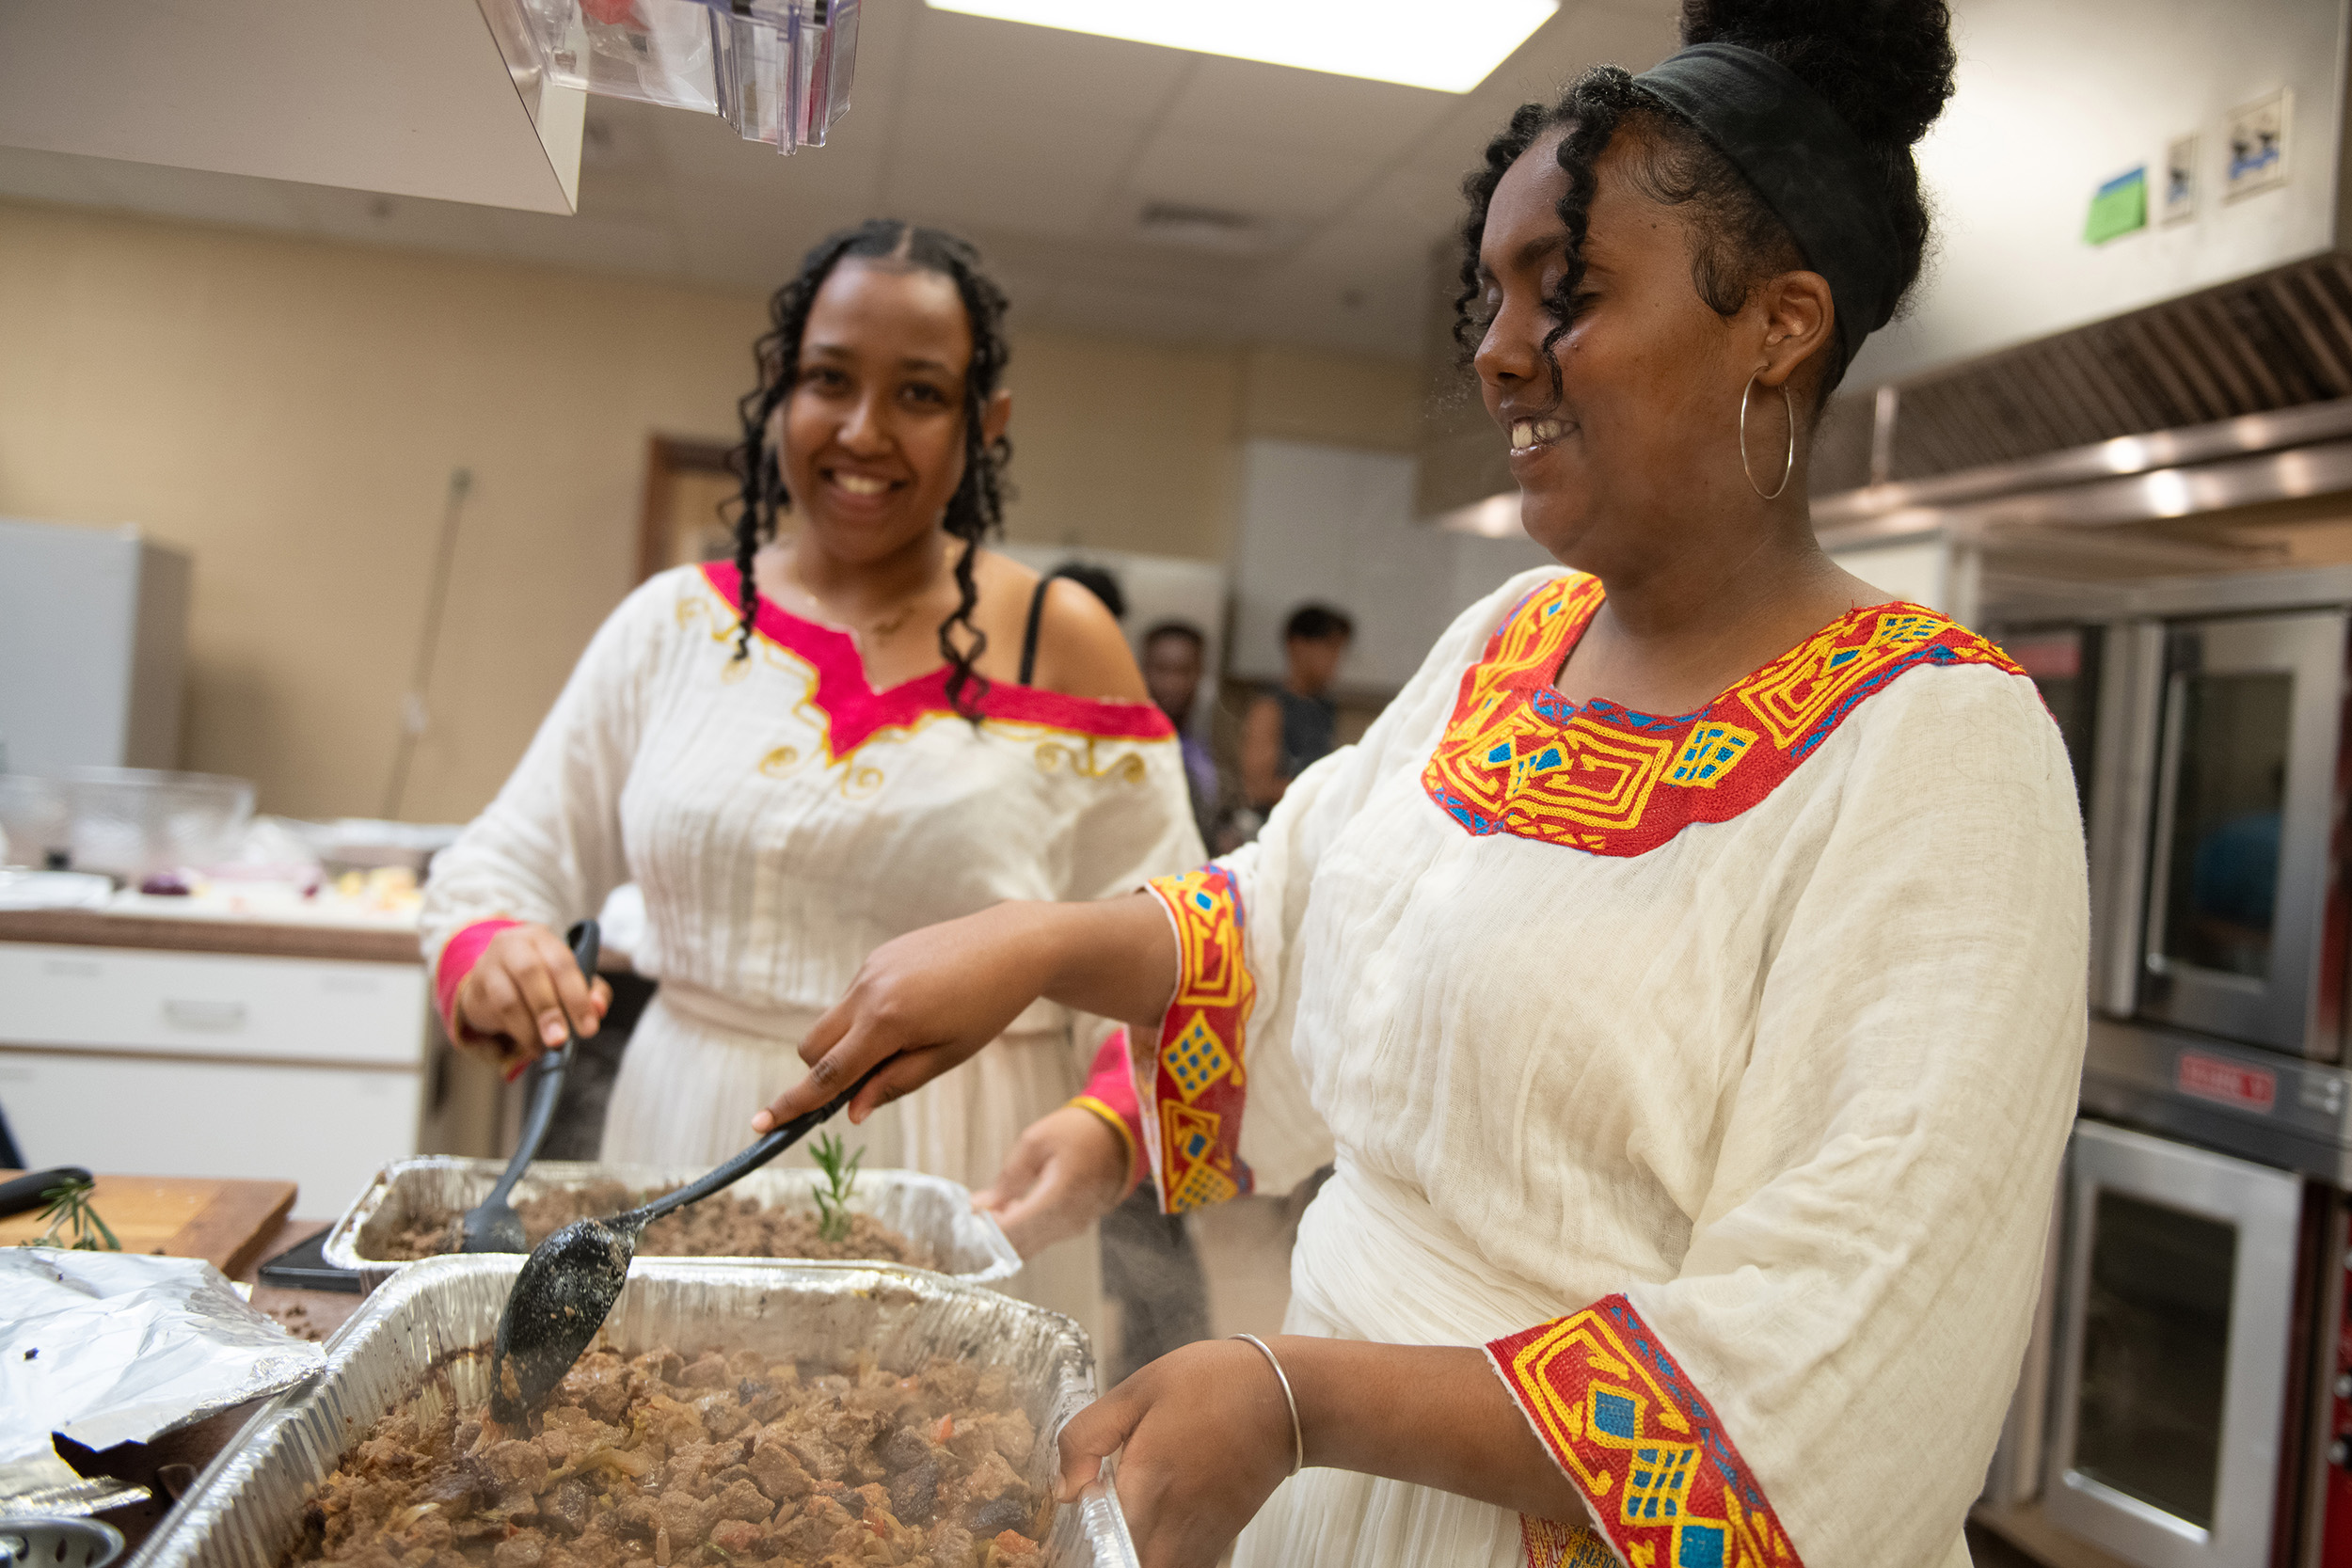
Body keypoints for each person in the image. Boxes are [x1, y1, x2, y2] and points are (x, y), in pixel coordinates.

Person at [756, 4, 2087, 1565]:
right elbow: (1300, 920)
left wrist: (1302, 1397)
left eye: (1566, 292)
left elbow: (1842, 1349)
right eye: (1494, 293)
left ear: (1780, 324)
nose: (1496, 347)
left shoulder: (1936, 749)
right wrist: (1043, 948)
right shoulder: (1506, 645)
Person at [418, 220, 1203, 1329]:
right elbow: (502, 862)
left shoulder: (1060, 643)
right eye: (828, 379)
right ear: (779, 391)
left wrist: (1113, 1122)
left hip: (965, 1176)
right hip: (685, 1143)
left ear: (987, 423)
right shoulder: (675, 627)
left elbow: (1178, 939)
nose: (862, 430)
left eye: (920, 394)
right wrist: (491, 950)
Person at [1240, 603, 1353, 811]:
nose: (1337, 659)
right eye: (1330, 647)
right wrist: (1323, 790)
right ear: (1298, 645)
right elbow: (1258, 788)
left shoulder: (1325, 707)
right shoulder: (1270, 707)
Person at [1141, 621, 1220, 844]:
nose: (1173, 683)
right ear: (1144, 671)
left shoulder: (1209, 742)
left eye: (1184, 671)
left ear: (1200, 673)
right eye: (1162, 670)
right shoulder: (1128, 749)